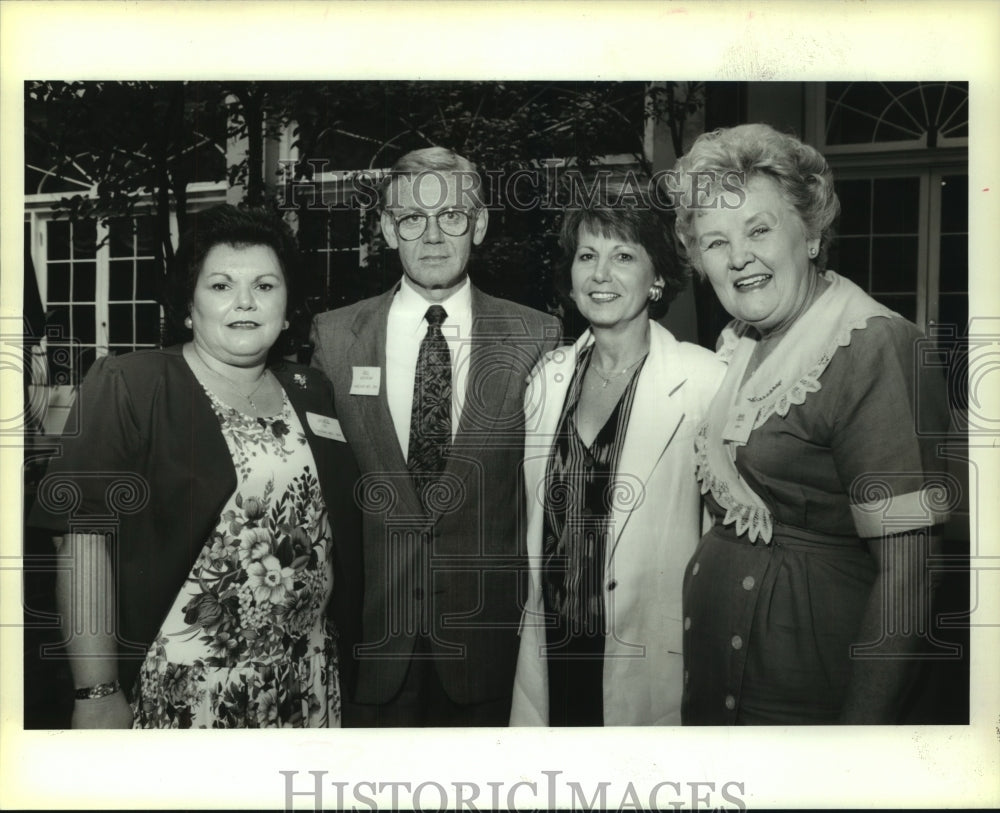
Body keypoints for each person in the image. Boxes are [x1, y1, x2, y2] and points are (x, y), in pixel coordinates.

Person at [29, 205, 362, 728]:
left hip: (306, 680)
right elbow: (81, 540)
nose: (245, 302)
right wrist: (95, 692)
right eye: (222, 285)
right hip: (186, 688)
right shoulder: (129, 385)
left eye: (266, 286)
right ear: (189, 305)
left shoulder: (311, 390)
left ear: (288, 304)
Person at [669, 123, 954, 724]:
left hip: (811, 699)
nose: (739, 257)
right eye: (715, 243)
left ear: (812, 232)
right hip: (725, 688)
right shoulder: (741, 345)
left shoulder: (873, 346)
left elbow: (909, 579)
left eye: (759, 229)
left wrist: (851, 752)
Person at [309, 146, 561, 726]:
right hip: (372, 641)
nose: (433, 236)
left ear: (479, 223)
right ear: (387, 229)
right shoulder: (336, 338)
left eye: (451, 216)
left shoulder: (536, 337)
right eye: (412, 219)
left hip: (489, 646)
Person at [509, 182, 725, 726]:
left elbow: (723, 544)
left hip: (648, 658)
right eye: (588, 256)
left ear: (657, 279)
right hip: (552, 652)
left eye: (623, 255)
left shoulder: (705, 382)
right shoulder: (545, 379)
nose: (600, 274)